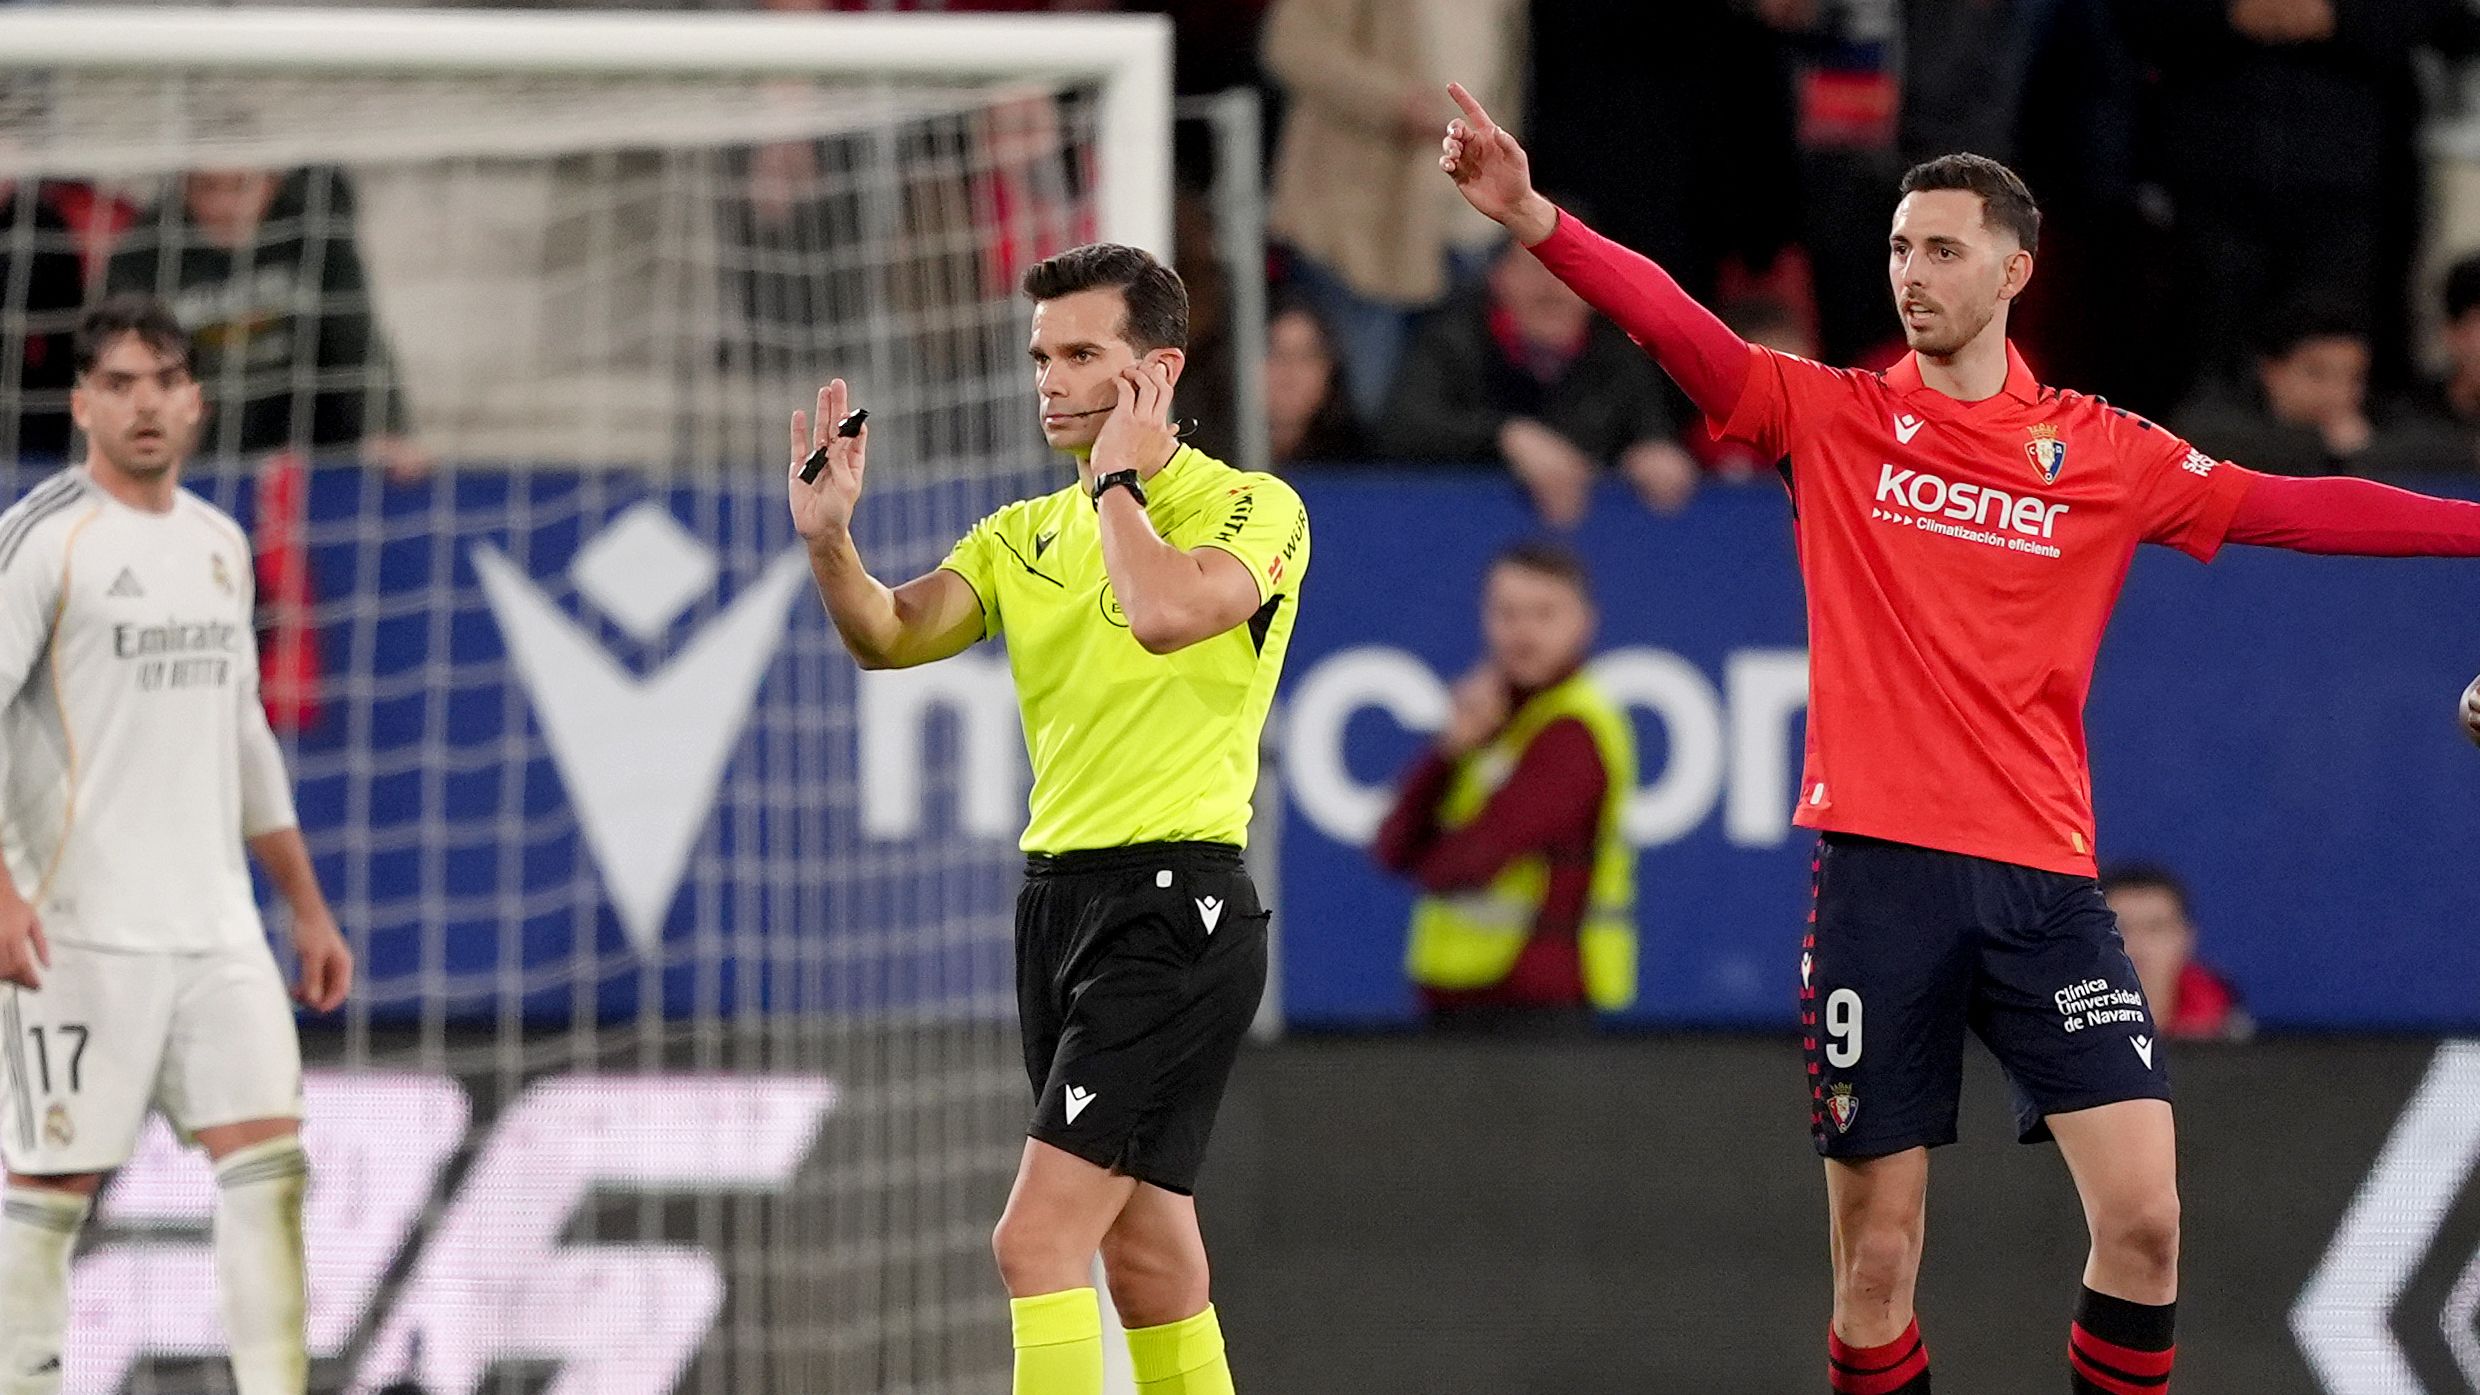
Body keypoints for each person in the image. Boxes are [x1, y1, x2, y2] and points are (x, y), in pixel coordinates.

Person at [1438, 83, 2480, 1394]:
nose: (1910, 274)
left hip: (2046, 888)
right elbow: (1672, 322)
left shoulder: (2100, 450)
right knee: (1876, 1264)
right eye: (1897, 248)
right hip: (1880, 881)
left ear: (2013, 270)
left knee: (2146, 1222)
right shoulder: (1828, 416)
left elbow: (2299, 507)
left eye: (1940, 249)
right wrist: (1534, 217)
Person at [787, 243, 1308, 1395]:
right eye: (1040, 358)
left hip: (1175, 907)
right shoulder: (1019, 534)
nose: (1050, 381)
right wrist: (830, 541)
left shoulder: (1250, 506)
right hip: (1059, 911)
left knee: (1033, 1241)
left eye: (1081, 355)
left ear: (1156, 373)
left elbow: (1165, 612)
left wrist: (1118, 485)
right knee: (1146, 1255)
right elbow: (888, 635)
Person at [0, 295, 354, 1395]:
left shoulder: (218, 544)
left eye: (162, 381)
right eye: (119, 383)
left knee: (268, 1168)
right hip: (76, 936)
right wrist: (3, 896)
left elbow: (244, 735)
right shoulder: (45, 541)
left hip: (217, 932)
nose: (143, 404)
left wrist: (305, 905)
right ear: (82, 405)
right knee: (49, 1195)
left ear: (196, 402)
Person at [1371, 540, 1636, 1032]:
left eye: (1544, 614)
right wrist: (1447, 752)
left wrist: (1431, 858)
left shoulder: (1573, 731)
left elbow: (1466, 864)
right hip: (1459, 996)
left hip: (1539, 1005)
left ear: (1584, 621)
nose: (1523, 632)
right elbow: (1392, 847)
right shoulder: (1491, 718)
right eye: (1507, 613)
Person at [1261, 0, 1526, 423]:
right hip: (1359, 231)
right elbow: (1292, 47)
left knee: (1457, 418)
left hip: (1472, 230)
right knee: (1361, 416)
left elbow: (1505, 77)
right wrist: (1398, 102)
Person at [106, 167, 425, 475]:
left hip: (307, 417)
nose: (225, 206)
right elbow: (123, 356)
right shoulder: (145, 251)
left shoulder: (311, 230)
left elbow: (353, 335)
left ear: (271, 184)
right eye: (208, 188)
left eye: (241, 186)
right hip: (207, 426)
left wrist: (386, 426)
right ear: (184, 187)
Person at [1380, 237, 1696, 525]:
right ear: (1499, 277)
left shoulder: (1622, 353)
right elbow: (1402, 430)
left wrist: (1657, 455)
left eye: (1572, 271)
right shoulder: (1452, 341)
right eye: (1536, 268)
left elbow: (1652, 435)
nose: (1553, 287)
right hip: (1457, 528)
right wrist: (1505, 436)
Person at [2173, 304, 2381, 477]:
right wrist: (2323, 442)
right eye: (2317, 373)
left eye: (2354, 377)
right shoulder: (2217, 420)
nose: (2337, 392)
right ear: (2272, 370)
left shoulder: (2378, 419)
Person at [2098, 865, 2249, 1041]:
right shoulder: (2070, 1033)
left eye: (2155, 928)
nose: (2137, 945)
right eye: (2119, 928)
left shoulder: (2230, 1031)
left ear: (2186, 937)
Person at [1263, 296, 1364, 468]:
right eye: (1274, 353)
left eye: (1307, 355)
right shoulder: (1214, 459)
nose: (1290, 371)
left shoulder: (1363, 464)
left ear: (1330, 368)